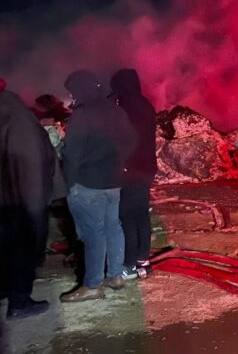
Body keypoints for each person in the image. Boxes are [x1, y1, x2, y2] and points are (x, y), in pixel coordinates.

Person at [60, 70, 136, 302]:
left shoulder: (81, 116)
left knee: (94, 234)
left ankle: (93, 284)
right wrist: (116, 161)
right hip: (113, 182)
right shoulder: (116, 110)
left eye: (72, 91)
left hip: (88, 184)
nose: (71, 96)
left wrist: (69, 183)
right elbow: (131, 141)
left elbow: (71, 154)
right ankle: (115, 275)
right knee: (113, 226)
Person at [0, 91, 55, 319]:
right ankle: (20, 302)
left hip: (6, 201)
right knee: (23, 249)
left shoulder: (7, 123)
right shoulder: (23, 125)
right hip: (23, 202)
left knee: (7, 249)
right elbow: (35, 165)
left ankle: (6, 290)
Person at [110, 69, 157, 279]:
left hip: (129, 170)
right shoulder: (146, 105)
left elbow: (121, 141)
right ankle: (143, 259)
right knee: (141, 214)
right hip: (146, 168)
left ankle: (128, 263)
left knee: (127, 216)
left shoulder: (124, 109)